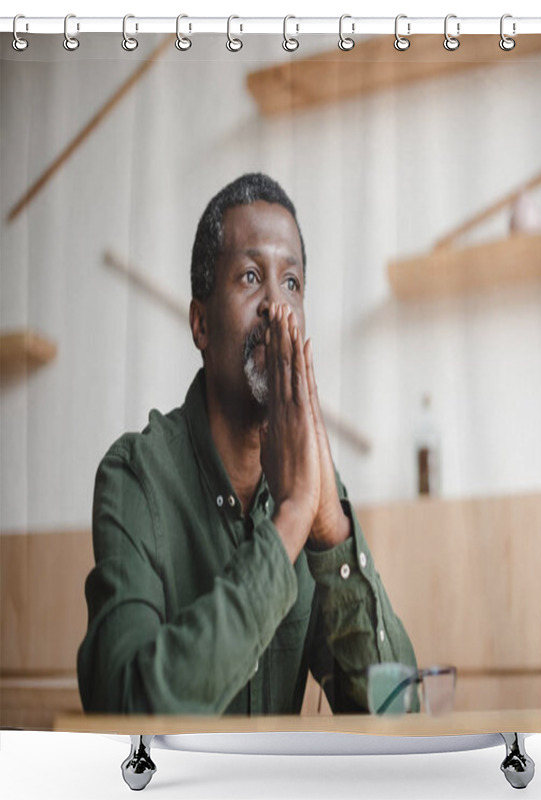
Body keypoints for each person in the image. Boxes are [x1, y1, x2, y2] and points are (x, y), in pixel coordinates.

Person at [77, 173, 417, 715]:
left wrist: (330, 532)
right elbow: (126, 710)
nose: (276, 309)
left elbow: (396, 713)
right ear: (201, 324)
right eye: (252, 276)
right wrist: (289, 523)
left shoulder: (315, 490)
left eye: (292, 284)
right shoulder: (133, 475)